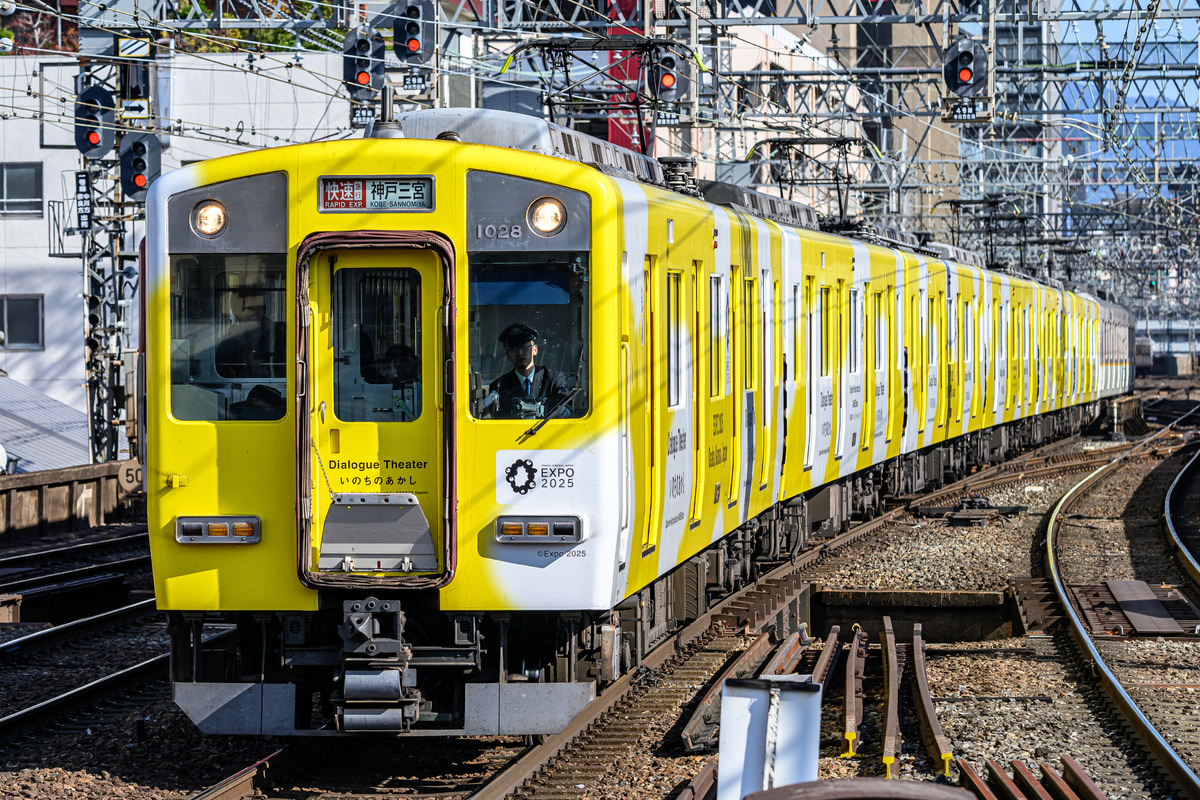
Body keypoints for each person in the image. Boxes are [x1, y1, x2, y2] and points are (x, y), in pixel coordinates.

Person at [488, 323, 570, 419]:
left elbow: (567, 410)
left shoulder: (553, 380)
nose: (520, 352)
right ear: (508, 355)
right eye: (513, 348)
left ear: (535, 350)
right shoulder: (499, 386)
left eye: (525, 346)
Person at [384, 343, 422, 421]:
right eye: (409, 360)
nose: (413, 363)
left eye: (412, 359)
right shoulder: (386, 383)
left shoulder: (418, 383)